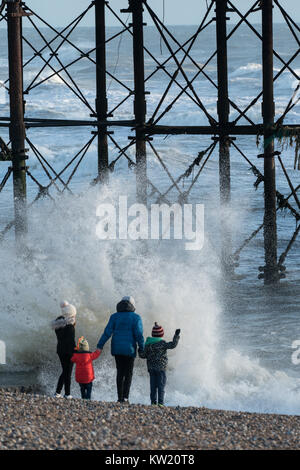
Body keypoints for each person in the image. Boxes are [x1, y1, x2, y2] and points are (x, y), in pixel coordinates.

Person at [97, 296, 144, 403]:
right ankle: (126, 398)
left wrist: (100, 345)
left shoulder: (114, 317)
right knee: (128, 374)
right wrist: (142, 348)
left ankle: (119, 397)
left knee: (120, 372)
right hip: (130, 349)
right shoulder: (136, 317)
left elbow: (107, 332)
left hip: (117, 349)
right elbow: (139, 335)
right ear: (133, 305)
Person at [139, 322, 180, 406]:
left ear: (152, 334)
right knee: (161, 386)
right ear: (161, 334)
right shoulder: (163, 343)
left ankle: (153, 403)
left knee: (153, 387)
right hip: (161, 369)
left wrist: (140, 349)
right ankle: (161, 403)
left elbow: (143, 355)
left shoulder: (148, 344)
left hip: (151, 369)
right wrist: (176, 335)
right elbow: (173, 345)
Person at [51, 300, 76, 399]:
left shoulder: (58, 323)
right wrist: (76, 350)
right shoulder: (69, 325)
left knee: (65, 371)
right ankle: (67, 394)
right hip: (68, 351)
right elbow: (70, 341)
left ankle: (57, 392)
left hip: (60, 350)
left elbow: (62, 338)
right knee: (67, 372)